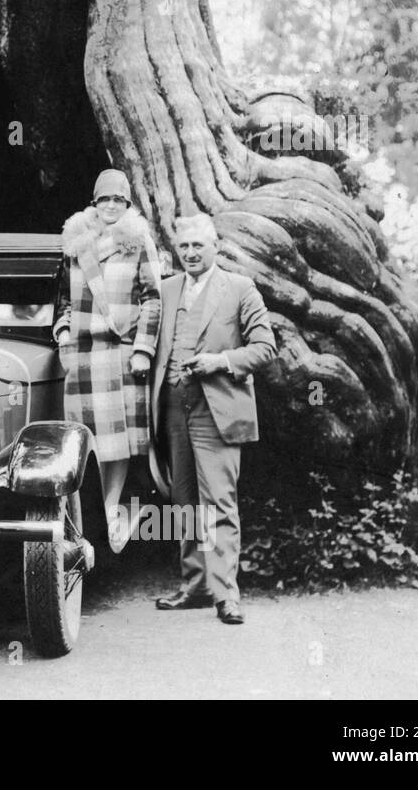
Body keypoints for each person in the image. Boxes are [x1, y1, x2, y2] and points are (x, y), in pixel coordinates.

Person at [152, 213, 276, 625]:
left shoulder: (240, 288)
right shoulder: (167, 289)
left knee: (219, 502)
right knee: (183, 502)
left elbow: (265, 347)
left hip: (216, 409)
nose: (189, 253)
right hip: (172, 406)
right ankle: (195, 586)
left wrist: (221, 361)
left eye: (198, 246)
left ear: (215, 248)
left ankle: (226, 595)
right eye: (183, 246)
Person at [54, 169, 162, 552]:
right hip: (83, 356)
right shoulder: (76, 242)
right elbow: (63, 300)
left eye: (119, 200)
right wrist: (63, 332)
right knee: (89, 439)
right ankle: (95, 513)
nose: (112, 206)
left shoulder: (138, 241)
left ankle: (111, 507)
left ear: (127, 204)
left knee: (118, 442)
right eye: (105, 200)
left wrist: (143, 349)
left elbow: (152, 299)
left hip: (120, 354)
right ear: (94, 203)